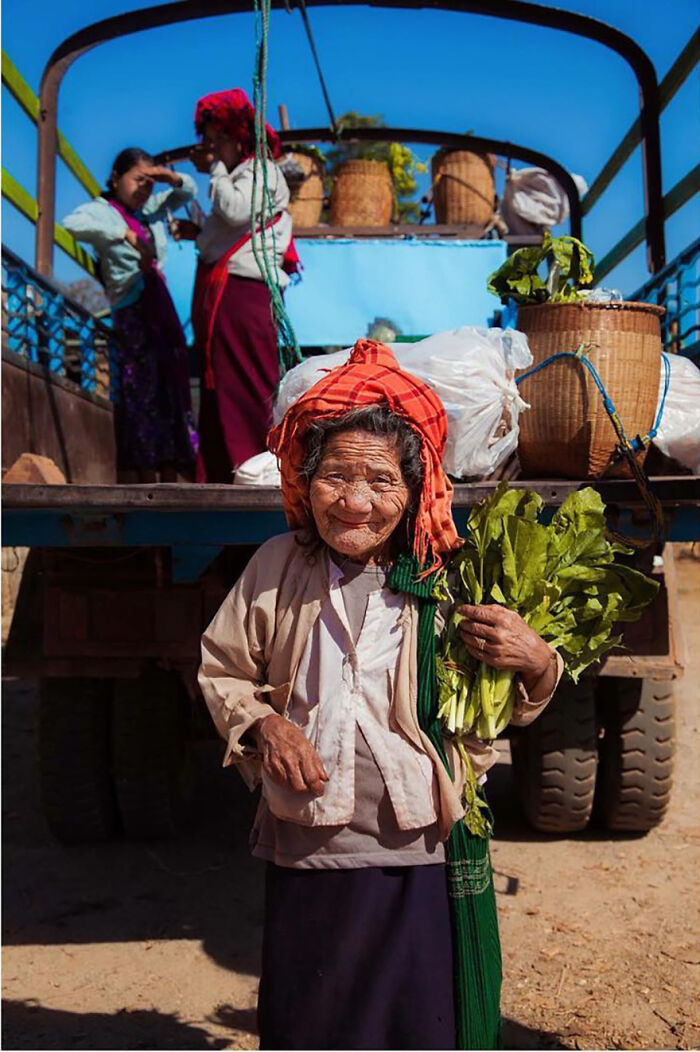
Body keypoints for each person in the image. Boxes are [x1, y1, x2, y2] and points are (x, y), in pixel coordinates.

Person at [198, 339, 563, 1050]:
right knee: (316, 1023)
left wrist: (538, 660)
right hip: (308, 842)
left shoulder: (449, 578)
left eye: (380, 481)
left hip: (421, 847)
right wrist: (265, 727)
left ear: (417, 485)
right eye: (336, 476)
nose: (357, 503)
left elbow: (511, 700)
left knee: (416, 1028)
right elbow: (223, 670)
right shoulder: (278, 566)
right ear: (306, 481)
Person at [182, 88, 298, 483]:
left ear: (236, 139)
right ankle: (219, 473)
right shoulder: (241, 176)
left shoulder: (262, 171)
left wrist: (214, 168)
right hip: (225, 294)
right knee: (221, 387)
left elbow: (233, 210)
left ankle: (254, 469)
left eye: (216, 142)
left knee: (246, 383)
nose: (212, 149)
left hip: (244, 294)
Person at [63, 148, 198, 482]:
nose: (144, 189)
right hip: (132, 310)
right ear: (115, 178)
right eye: (138, 180)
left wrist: (168, 177)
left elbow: (188, 191)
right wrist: (123, 234)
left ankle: (172, 470)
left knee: (170, 388)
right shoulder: (102, 212)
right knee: (141, 389)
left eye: (149, 183)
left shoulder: (151, 209)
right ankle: (145, 472)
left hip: (160, 307)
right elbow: (72, 224)